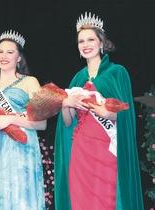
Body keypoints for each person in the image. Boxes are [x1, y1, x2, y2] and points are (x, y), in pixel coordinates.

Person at [54, 12, 144, 210]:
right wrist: (65, 104)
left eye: (90, 39)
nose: (85, 44)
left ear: (101, 42)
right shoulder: (77, 78)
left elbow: (125, 116)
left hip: (106, 149)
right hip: (81, 150)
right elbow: (67, 123)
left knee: (106, 201)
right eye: (81, 41)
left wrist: (106, 112)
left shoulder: (117, 73)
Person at [0, 30, 47, 210]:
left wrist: (10, 119)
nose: (4, 56)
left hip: (22, 150)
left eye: (10, 52)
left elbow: (41, 124)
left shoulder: (30, 82)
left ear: (19, 57)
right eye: (0, 52)